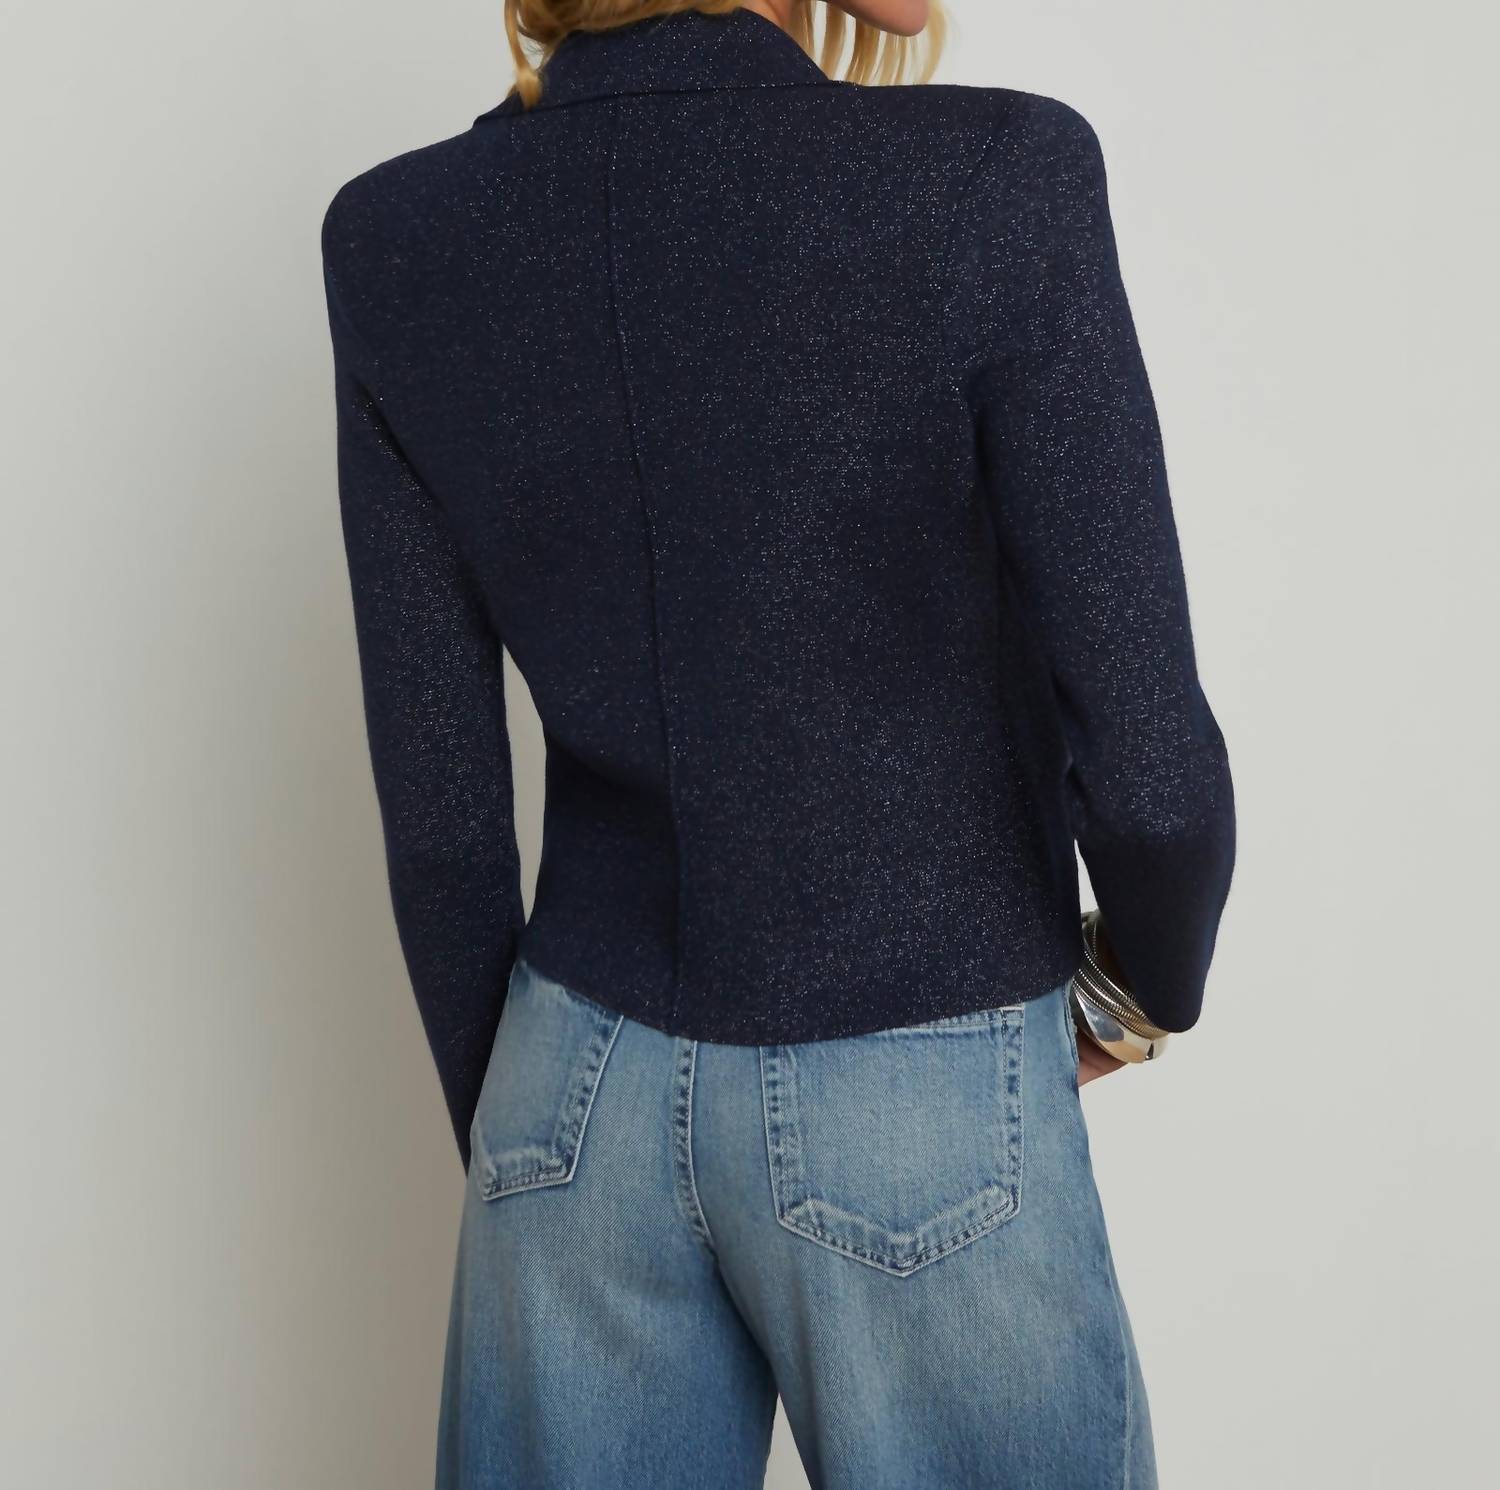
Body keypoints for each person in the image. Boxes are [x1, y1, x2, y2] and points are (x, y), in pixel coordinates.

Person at [320, 2, 1236, 1485]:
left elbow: (442, 822)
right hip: (917, 1072)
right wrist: (1139, 992)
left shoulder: (395, 237)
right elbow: (1153, 770)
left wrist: (530, 1152)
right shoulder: (992, 174)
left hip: (568, 1084)